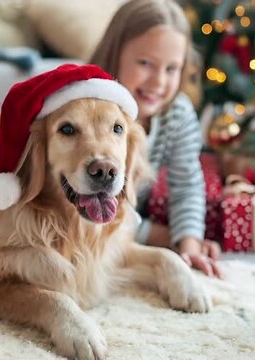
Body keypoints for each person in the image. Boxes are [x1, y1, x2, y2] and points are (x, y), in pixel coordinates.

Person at [90, 0, 222, 277]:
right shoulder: (90, 107)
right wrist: (155, 234)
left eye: (171, 69)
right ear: (115, 54)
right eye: (146, 64)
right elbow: (84, 203)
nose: (158, 82)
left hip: (133, 213)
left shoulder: (178, 113)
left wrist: (189, 244)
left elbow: (186, 183)